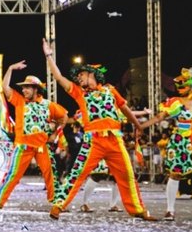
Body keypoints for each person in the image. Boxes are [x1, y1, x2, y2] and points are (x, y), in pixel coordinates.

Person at [42, 38, 156, 221]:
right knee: (77, 173)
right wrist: (49, 56)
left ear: (93, 75)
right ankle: (58, 205)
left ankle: (137, 209)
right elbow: (59, 78)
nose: (79, 78)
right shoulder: (80, 93)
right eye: (78, 76)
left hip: (115, 139)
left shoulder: (111, 91)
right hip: (93, 140)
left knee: (127, 174)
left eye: (82, 74)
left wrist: (138, 125)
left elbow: (125, 109)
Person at [139, 67, 192, 221]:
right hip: (181, 143)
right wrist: (141, 126)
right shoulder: (177, 103)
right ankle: (170, 210)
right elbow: (160, 117)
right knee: (175, 174)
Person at [0, 63, 68, 211]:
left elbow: (64, 116)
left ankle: (56, 203)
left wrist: (54, 133)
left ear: (36, 89)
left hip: (42, 147)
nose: (24, 90)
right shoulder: (19, 101)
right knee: (13, 175)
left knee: (51, 174)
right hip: (22, 146)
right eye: (23, 88)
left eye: (27, 87)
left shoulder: (48, 105)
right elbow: (5, 88)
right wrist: (10, 68)